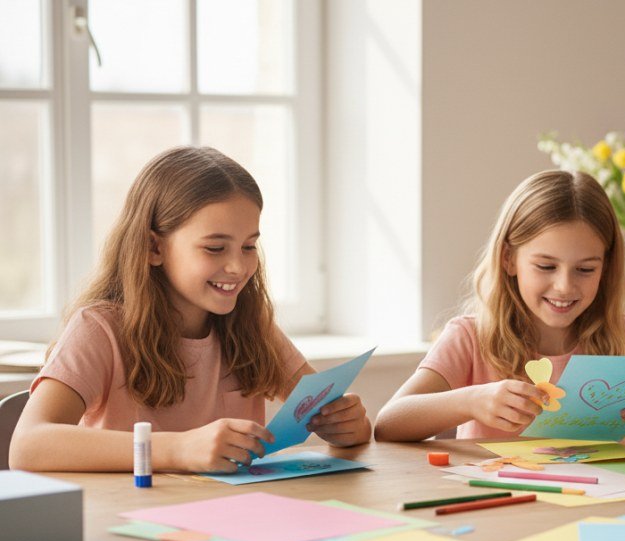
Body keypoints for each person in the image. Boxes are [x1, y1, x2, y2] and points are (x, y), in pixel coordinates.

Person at [10, 146, 371, 472]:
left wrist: (347, 427)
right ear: (153, 248)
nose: (238, 267)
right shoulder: (99, 329)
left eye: (248, 247)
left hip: (234, 518)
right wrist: (178, 449)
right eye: (215, 248)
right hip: (130, 523)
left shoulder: (251, 325)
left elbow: (329, 412)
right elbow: (28, 445)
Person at [375, 170, 625, 442]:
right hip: (499, 514)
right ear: (508, 260)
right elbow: (389, 422)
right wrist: (470, 402)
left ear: (607, 267)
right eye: (546, 266)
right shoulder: (471, 337)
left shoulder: (623, 336)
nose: (565, 286)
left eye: (586, 269)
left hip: (592, 507)